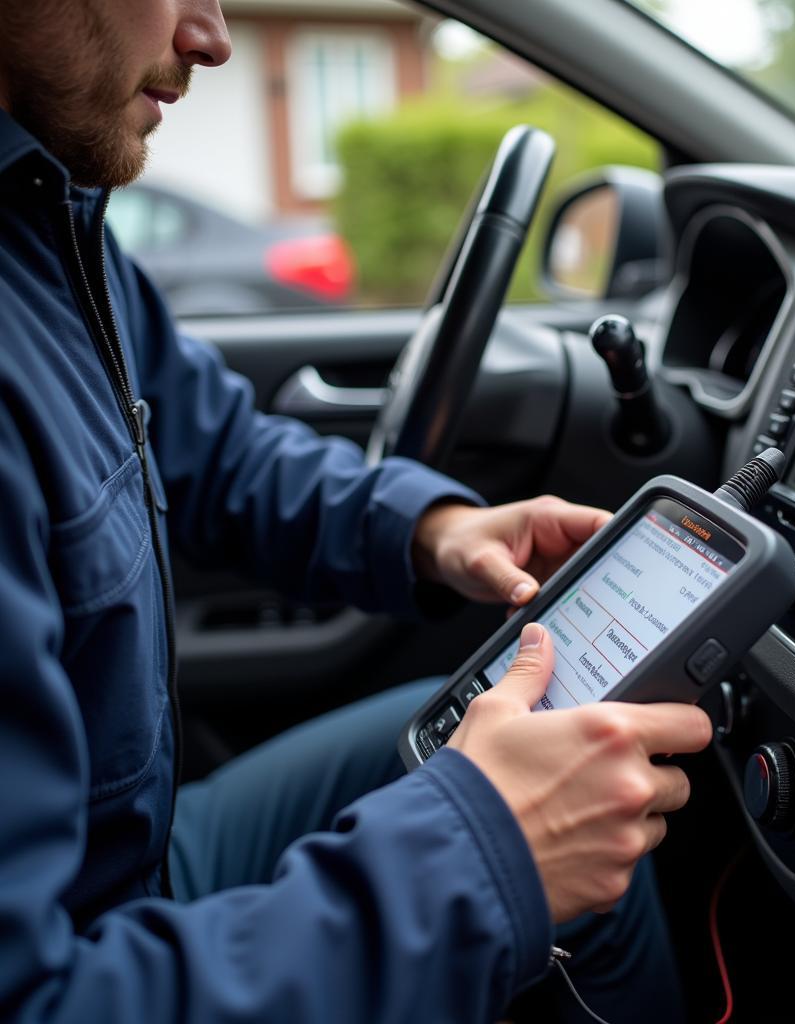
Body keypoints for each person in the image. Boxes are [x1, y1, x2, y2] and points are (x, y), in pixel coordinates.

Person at [0, 2, 712, 1021]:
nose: (212, 36)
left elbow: (214, 449)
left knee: (535, 747)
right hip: (89, 940)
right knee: (550, 811)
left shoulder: (47, 217)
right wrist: (487, 855)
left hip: (128, 857)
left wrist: (433, 529)